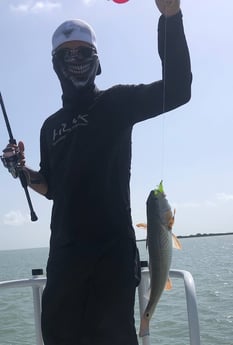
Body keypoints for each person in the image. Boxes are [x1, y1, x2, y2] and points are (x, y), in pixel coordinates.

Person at [2, 0, 192, 344]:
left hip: (112, 257)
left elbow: (178, 89)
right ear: (55, 65)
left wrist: (171, 18)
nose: (75, 60)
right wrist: (22, 171)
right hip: (64, 257)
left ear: (98, 61)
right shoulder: (50, 127)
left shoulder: (116, 103)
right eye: (66, 54)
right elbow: (52, 187)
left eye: (84, 52)